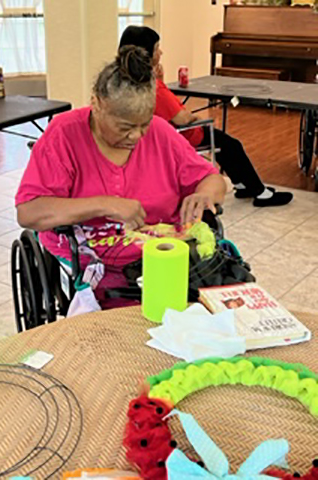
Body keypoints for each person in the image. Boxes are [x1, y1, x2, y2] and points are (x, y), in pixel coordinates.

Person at [15, 46, 226, 309]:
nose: (137, 136)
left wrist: (203, 194)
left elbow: (212, 179)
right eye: (125, 127)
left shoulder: (160, 132)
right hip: (95, 256)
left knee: (215, 293)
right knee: (131, 319)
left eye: (144, 124)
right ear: (97, 104)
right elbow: (29, 212)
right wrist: (107, 204)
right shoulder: (64, 135)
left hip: (162, 249)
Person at [119, 26, 293, 208]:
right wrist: (195, 117)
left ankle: (243, 185)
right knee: (232, 145)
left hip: (160, 137)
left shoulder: (124, 81)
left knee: (226, 145)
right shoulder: (153, 88)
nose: (161, 52)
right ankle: (260, 193)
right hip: (182, 136)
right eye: (157, 48)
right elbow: (182, 119)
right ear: (146, 53)